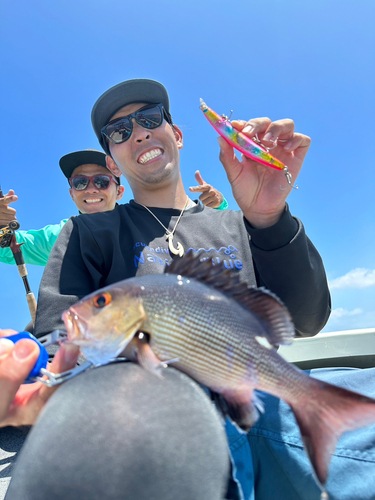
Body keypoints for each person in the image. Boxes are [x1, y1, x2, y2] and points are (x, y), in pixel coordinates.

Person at [2, 79, 334, 499]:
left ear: (175, 134)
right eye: (119, 132)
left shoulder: (242, 223)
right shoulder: (86, 232)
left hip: (260, 411)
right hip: (150, 426)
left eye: (150, 118)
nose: (138, 132)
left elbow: (307, 320)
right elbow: (60, 345)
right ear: (114, 163)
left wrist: (270, 217)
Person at [0, 154, 226, 267]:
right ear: (72, 193)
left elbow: (204, 232)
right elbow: (7, 248)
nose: (90, 189)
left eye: (101, 181)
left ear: (119, 192)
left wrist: (218, 207)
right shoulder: (60, 236)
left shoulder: (148, 220)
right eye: (79, 182)